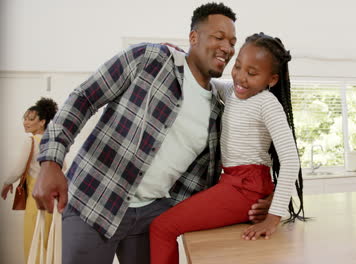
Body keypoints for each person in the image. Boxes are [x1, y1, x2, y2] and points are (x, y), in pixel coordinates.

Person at [32, 3, 271, 264]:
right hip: (95, 199)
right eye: (219, 37)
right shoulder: (149, 59)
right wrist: (51, 160)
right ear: (193, 37)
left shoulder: (219, 106)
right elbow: (84, 98)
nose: (227, 47)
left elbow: (229, 177)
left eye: (232, 41)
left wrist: (264, 201)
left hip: (152, 217)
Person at [149, 32, 306, 264]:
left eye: (252, 73)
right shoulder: (232, 91)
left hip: (246, 188)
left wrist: (273, 218)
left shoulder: (267, 103)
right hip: (232, 182)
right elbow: (205, 80)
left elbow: (291, 161)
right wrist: (180, 55)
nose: (241, 78)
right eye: (238, 67)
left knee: (162, 227)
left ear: (271, 80)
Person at [1, 97, 59, 261]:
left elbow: (19, 169)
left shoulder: (31, 141)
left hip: (35, 198)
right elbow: (64, 167)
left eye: (31, 119)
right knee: (49, 239)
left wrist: (6, 183)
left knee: (33, 239)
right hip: (52, 199)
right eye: (25, 118)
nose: (25, 122)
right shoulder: (53, 141)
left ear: (42, 122)